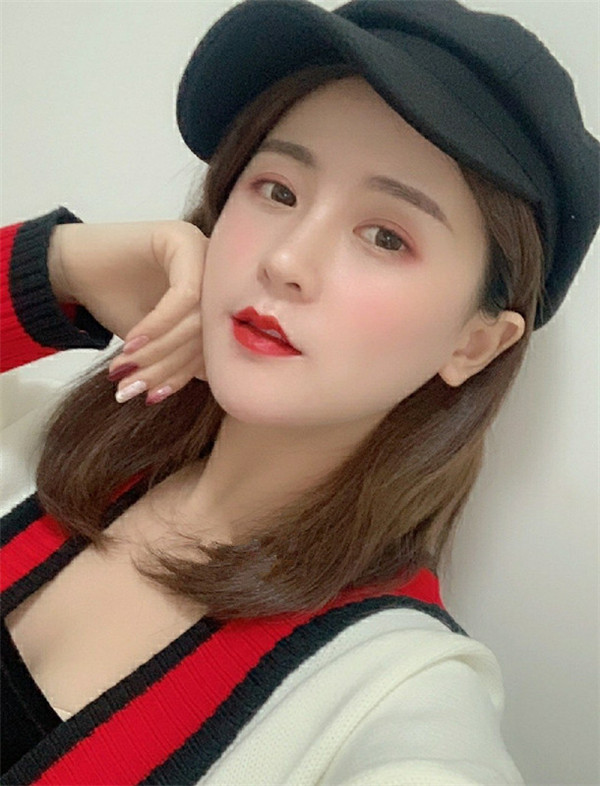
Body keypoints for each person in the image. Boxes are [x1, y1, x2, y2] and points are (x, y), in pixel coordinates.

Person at [1, 0, 598, 783]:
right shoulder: (39, 442)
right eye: (278, 190)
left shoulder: (393, 692)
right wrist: (56, 269)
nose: (286, 260)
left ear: (473, 344)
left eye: (386, 236)